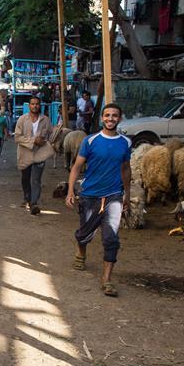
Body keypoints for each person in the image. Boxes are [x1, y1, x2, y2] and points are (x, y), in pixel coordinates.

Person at [65, 103, 132, 298]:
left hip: (113, 196)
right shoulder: (91, 141)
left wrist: (126, 194)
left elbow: (126, 168)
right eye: (107, 115)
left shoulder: (125, 143)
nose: (111, 119)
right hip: (90, 194)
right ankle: (81, 252)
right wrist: (71, 190)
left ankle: (106, 280)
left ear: (120, 118)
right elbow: (77, 166)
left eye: (115, 116)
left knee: (111, 237)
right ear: (102, 118)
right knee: (84, 233)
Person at [14, 96, 52, 215]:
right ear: (29, 106)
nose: (35, 106)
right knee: (26, 178)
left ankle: (34, 203)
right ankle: (27, 197)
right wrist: (33, 140)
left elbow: (51, 135)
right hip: (25, 153)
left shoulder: (46, 120)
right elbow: (17, 137)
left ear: (40, 105)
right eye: (32, 104)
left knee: (36, 179)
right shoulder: (22, 119)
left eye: (37, 104)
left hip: (40, 154)